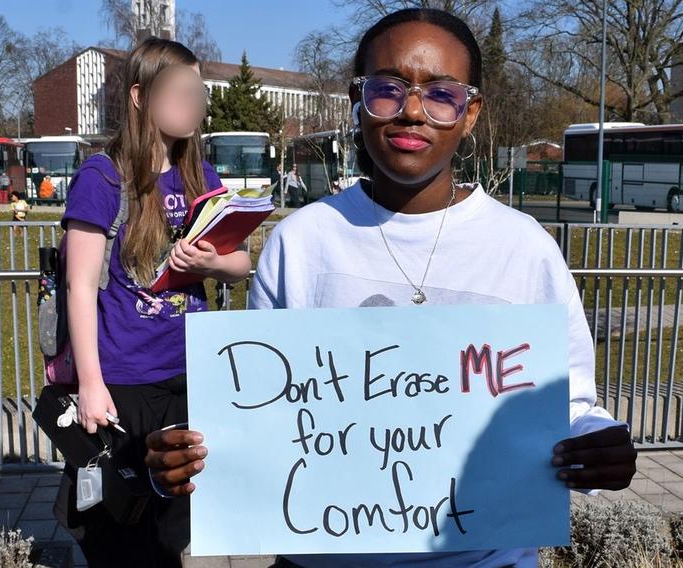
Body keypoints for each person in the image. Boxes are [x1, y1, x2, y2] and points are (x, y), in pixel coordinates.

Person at [144, 8, 636, 568]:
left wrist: (599, 446)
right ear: (358, 100)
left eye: (441, 94)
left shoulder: (523, 248)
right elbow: (262, 412)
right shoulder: (302, 242)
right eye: (387, 89)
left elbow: (570, 404)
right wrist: (189, 458)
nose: (412, 112)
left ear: (470, 112)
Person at [53, 37, 251, 567]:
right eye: (178, 90)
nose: (193, 103)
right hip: (126, 384)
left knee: (172, 531)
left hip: (193, 377)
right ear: (140, 96)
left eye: (197, 91)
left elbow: (242, 262)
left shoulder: (201, 177)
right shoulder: (103, 177)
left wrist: (208, 264)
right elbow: (79, 285)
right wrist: (91, 386)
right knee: (120, 531)